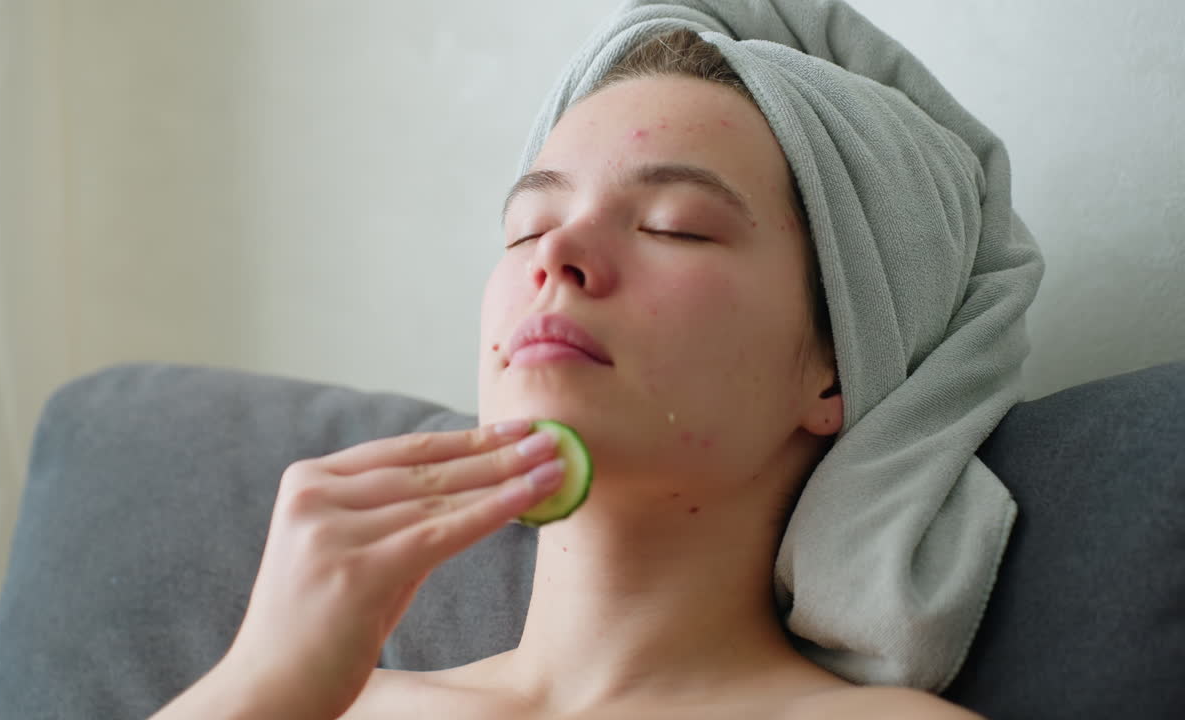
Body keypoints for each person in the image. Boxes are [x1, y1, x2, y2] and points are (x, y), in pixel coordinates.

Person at [152, 28, 990, 720]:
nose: (555, 254)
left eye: (674, 227)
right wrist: (256, 682)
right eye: (526, 228)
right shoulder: (317, 700)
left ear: (837, 369)